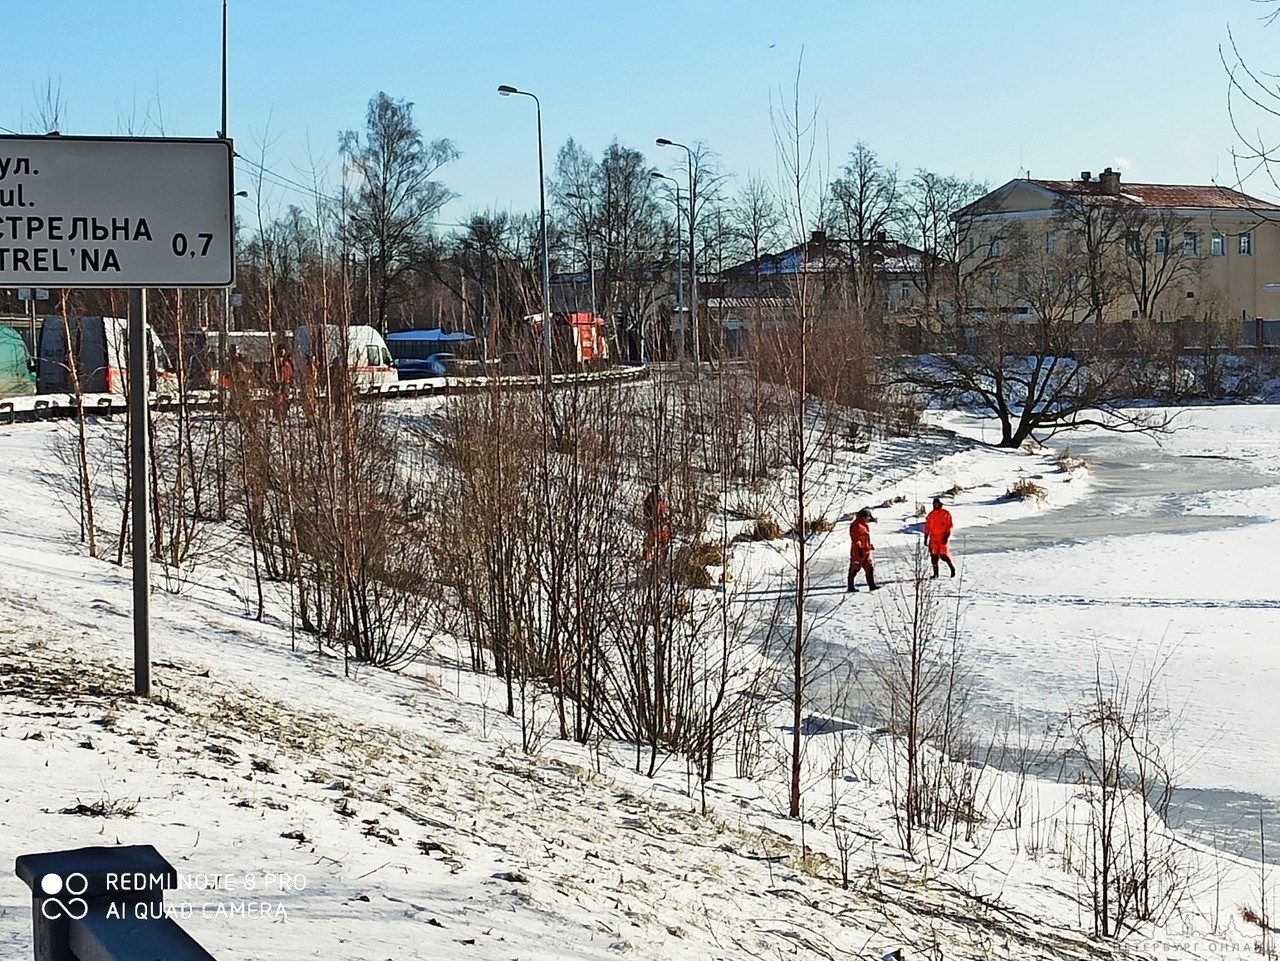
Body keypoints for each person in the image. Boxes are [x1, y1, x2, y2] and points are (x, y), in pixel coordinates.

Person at [847, 507, 878, 592]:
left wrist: (869, 546)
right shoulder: (855, 525)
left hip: (866, 550)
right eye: (868, 517)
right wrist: (859, 548)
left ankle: (872, 585)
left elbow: (865, 538)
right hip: (858, 551)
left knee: (869, 568)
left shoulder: (864, 525)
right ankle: (850, 587)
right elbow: (856, 539)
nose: (869, 519)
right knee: (855, 568)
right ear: (863, 516)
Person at [924, 497, 956, 578]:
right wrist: (926, 537)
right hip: (933, 539)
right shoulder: (930, 515)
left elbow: (949, 526)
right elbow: (927, 527)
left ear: (940, 504)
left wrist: (946, 536)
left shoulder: (946, 513)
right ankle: (935, 574)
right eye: (934, 504)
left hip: (942, 538)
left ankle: (952, 568)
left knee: (943, 556)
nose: (935, 505)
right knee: (934, 557)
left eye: (937, 503)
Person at [642, 484, 671, 559]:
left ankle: (660, 552)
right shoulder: (650, 499)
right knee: (651, 535)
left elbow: (662, 508)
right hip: (652, 520)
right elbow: (646, 509)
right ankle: (647, 555)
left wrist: (664, 516)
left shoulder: (659, 499)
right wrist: (649, 516)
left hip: (658, 519)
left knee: (661, 534)